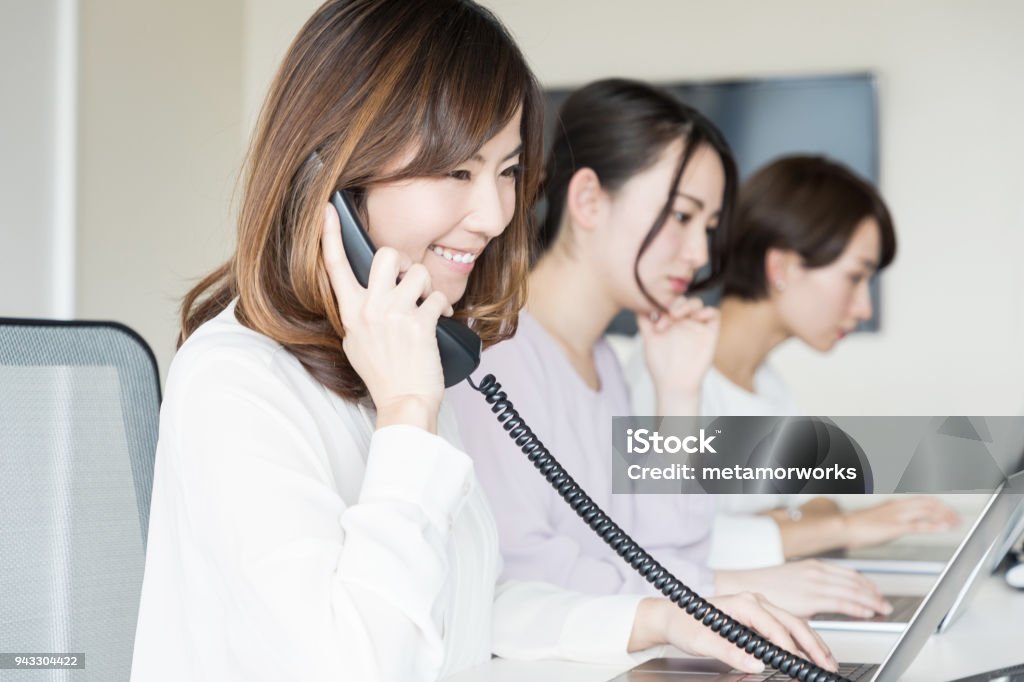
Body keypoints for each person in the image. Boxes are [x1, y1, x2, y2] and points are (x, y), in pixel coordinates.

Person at [129, 4, 834, 682]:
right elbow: (352, 665)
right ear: (330, 178)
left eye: (506, 172)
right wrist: (409, 414)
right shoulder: (238, 383)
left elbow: (470, 606)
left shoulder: (421, 357)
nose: (497, 214)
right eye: (457, 171)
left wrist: (664, 619)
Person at [451, 79, 891, 623]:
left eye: (708, 227)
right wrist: (720, 591)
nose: (700, 252)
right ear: (588, 200)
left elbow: (671, 546)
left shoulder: (604, 362)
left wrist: (678, 391)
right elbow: (521, 574)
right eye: (682, 217)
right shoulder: (495, 355)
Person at [625, 154, 960, 561]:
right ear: (780, 266)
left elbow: (821, 505)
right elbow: (666, 547)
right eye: (855, 277)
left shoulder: (768, 387)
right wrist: (840, 527)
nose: (863, 308)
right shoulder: (662, 374)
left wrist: (794, 526)